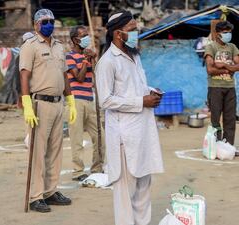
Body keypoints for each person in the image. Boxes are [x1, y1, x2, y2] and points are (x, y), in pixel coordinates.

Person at [95, 10, 164, 225]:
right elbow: (105, 100)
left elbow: (137, 86)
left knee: (144, 185)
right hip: (124, 135)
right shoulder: (107, 62)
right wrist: (140, 101)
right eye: (132, 30)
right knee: (126, 190)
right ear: (118, 33)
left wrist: (151, 92)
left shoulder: (134, 56)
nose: (136, 34)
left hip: (142, 131)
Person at [20, 9, 77, 213]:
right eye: (44, 21)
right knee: (38, 152)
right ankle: (36, 197)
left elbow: (64, 76)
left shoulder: (59, 47)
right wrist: (26, 104)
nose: (49, 24)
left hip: (58, 103)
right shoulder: (30, 46)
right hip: (39, 104)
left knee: (55, 150)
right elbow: (24, 76)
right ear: (36, 24)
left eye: (52, 21)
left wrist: (70, 100)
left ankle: (50, 191)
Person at [66, 25, 104, 181]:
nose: (87, 38)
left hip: (90, 99)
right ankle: (78, 170)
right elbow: (79, 78)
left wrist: (93, 60)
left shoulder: (88, 56)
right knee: (77, 139)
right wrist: (86, 60)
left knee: (100, 137)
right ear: (76, 39)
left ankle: (97, 167)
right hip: (76, 101)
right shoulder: (69, 56)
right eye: (84, 35)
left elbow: (96, 77)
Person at [204, 21, 239, 145]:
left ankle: (228, 145)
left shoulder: (232, 47)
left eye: (229, 32)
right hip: (215, 88)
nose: (228, 35)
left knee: (230, 119)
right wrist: (228, 68)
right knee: (215, 119)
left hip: (230, 88)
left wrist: (223, 65)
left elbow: (238, 66)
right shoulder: (211, 47)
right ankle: (216, 144)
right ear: (217, 33)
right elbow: (210, 70)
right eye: (225, 32)